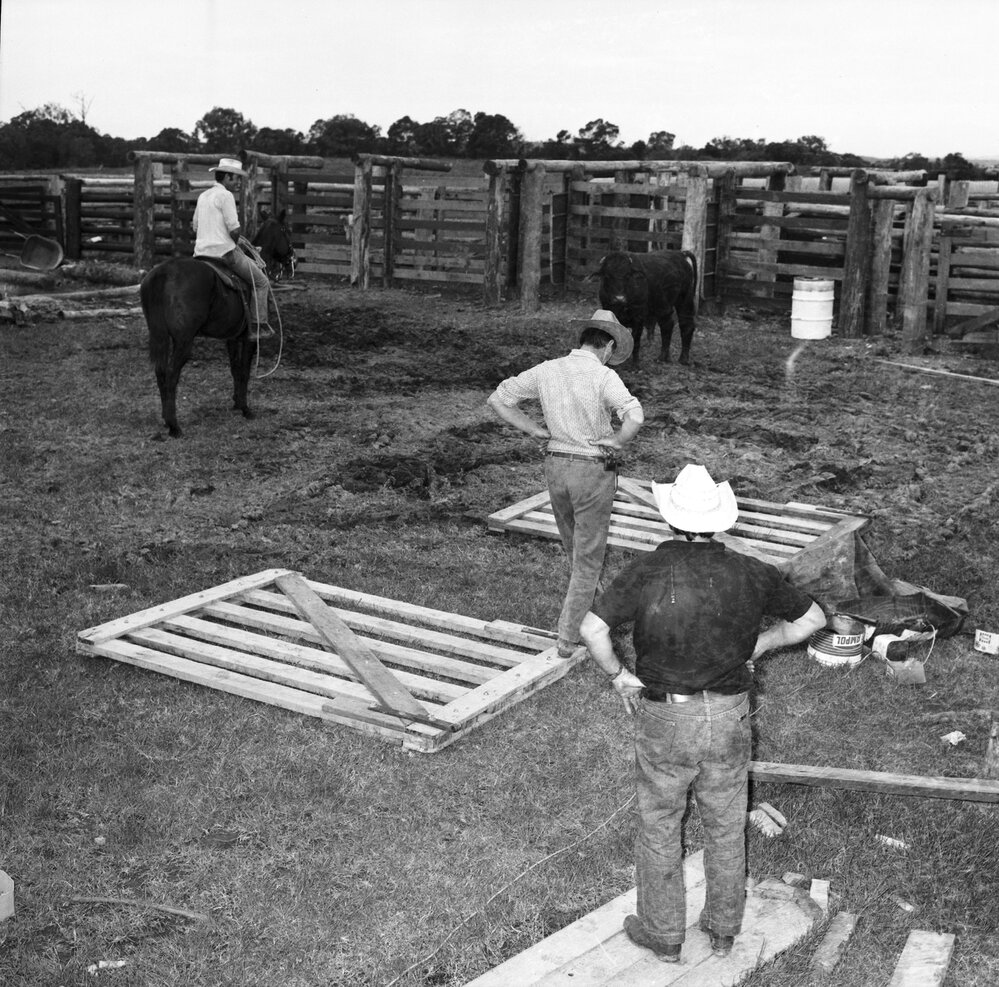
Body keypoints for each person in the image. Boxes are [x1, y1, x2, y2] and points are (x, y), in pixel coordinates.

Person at [578, 464, 825, 964]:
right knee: (726, 823)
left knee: (660, 823)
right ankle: (723, 931)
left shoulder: (646, 569)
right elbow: (814, 618)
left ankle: (663, 934)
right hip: (731, 714)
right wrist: (765, 642)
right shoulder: (753, 570)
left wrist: (618, 677)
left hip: (666, 718)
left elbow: (592, 630)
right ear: (720, 521)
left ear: (670, 519)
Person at [486, 310, 644, 660]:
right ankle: (569, 636)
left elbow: (499, 399)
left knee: (576, 548)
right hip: (592, 471)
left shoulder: (547, 369)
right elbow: (635, 415)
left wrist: (533, 429)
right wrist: (618, 442)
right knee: (588, 558)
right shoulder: (604, 375)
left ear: (584, 340)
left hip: (555, 468)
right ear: (608, 346)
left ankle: (596, 611)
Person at [193, 157, 274, 339]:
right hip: (224, 253)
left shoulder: (203, 195)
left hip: (200, 253)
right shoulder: (226, 196)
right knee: (261, 282)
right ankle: (258, 326)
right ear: (228, 177)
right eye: (236, 178)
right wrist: (237, 241)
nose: (238, 183)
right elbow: (234, 229)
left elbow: (195, 227)